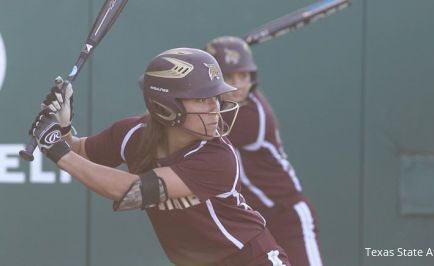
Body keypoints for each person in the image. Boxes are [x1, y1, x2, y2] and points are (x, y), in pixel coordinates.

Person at [30, 48, 291, 266]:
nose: (216, 108)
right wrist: (63, 128)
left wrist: (55, 147)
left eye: (216, 98)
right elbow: (79, 153)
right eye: (202, 99)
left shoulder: (218, 157)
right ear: (165, 107)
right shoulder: (131, 134)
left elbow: (133, 190)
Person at [206, 37, 323, 266]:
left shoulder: (252, 115)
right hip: (253, 222)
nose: (238, 84)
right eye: (229, 77)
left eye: (244, 76)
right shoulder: (219, 108)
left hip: (287, 216)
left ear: (253, 78)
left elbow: (191, 130)